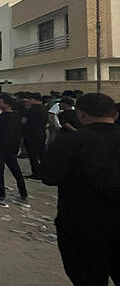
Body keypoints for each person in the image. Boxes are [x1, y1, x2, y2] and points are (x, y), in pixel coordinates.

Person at [41, 93, 120, 286]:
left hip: (81, 222)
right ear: (115, 114)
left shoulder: (67, 142)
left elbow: (50, 177)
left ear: (81, 115)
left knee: (87, 277)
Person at [0, 95, 29, 208]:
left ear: (7, 104)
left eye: (0, 102)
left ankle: (1, 196)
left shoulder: (0, 117)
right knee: (16, 171)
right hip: (12, 147)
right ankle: (23, 195)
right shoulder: (17, 116)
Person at [21, 92, 47, 180]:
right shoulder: (44, 109)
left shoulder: (31, 110)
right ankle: (44, 171)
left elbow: (24, 121)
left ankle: (36, 173)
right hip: (42, 133)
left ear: (33, 99)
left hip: (31, 134)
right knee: (41, 154)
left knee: (33, 155)